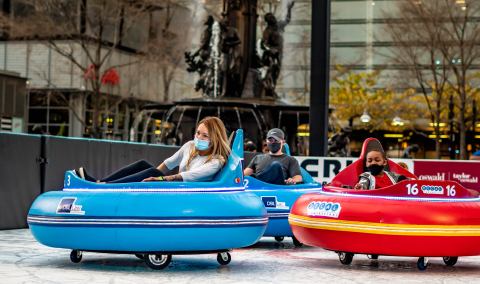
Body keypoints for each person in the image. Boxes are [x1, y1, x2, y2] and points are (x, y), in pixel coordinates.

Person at [76, 116, 230, 183]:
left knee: (155, 173)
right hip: (176, 188)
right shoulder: (189, 146)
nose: (199, 138)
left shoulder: (216, 161)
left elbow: (187, 176)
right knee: (145, 165)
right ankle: (101, 183)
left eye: (205, 136)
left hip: (188, 194)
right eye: (197, 133)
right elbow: (168, 164)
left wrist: (159, 178)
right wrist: (148, 181)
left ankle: (105, 187)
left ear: (215, 139)